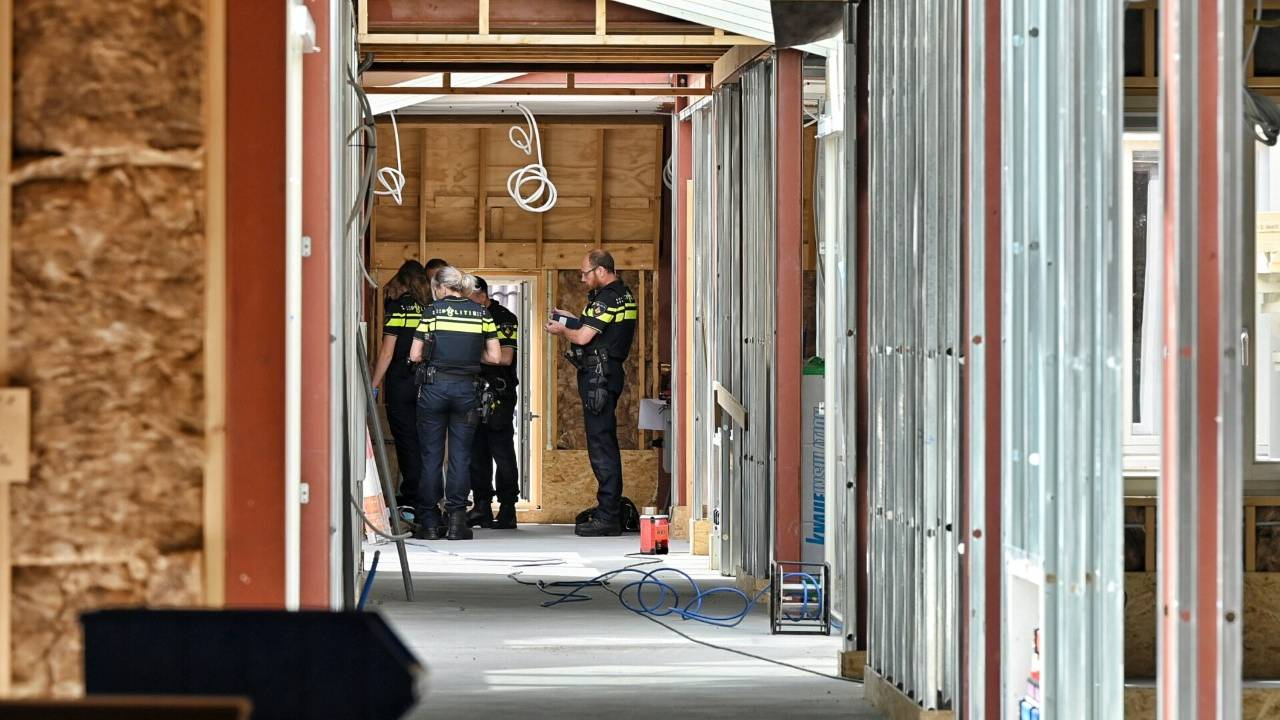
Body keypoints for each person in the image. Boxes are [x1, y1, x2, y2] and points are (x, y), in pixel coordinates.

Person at [544, 250, 637, 537]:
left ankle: (608, 515)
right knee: (604, 441)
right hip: (607, 373)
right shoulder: (623, 295)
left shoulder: (607, 298)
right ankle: (608, 509)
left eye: (585, 273)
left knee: (601, 445)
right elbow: (595, 329)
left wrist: (562, 330)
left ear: (600, 270)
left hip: (599, 376)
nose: (582, 278)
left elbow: (584, 337)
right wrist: (571, 319)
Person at [410, 266, 503, 540]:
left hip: (433, 388)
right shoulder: (482, 314)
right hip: (467, 390)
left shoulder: (432, 312)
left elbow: (415, 355)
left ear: (439, 287)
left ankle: (428, 521)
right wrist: (471, 357)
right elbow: (496, 357)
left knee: (431, 457)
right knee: (460, 457)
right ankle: (456, 523)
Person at [370, 260, 431, 511]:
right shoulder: (430, 308)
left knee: (405, 439)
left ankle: (413, 494)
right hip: (427, 381)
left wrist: (373, 384)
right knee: (425, 440)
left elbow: (387, 351)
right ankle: (426, 496)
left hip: (401, 379)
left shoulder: (398, 306)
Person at [467, 276, 521, 529]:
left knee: (502, 450)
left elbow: (506, 358)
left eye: (469, 297)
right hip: (474, 391)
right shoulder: (469, 316)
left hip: (499, 392)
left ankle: (508, 507)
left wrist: (467, 355)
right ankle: (481, 507)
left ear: (482, 295)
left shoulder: (504, 317)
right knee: (476, 451)